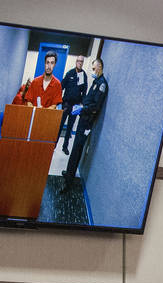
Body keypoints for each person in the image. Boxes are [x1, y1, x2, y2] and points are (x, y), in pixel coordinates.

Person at [60, 58, 108, 193]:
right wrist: (81, 106)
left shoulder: (102, 85)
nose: (92, 71)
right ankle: (69, 172)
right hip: (82, 120)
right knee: (75, 147)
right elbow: (88, 100)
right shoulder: (96, 82)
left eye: (94, 69)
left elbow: (95, 107)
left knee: (77, 149)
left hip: (87, 122)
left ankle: (68, 182)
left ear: (100, 67)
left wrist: (82, 108)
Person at [59, 55, 88, 154]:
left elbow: (84, 93)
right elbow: (61, 86)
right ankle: (54, 144)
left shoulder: (84, 75)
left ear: (83, 63)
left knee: (70, 127)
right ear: (76, 62)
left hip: (76, 106)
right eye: (78, 61)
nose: (80, 63)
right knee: (60, 125)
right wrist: (58, 100)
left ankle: (65, 146)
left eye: (82, 61)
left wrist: (81, 105)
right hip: (66, 104)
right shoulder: (70, 73)